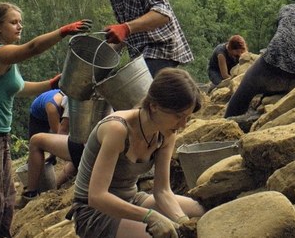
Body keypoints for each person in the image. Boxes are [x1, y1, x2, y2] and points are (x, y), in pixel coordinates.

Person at [0, 3, 91, 238]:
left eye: (20, 21)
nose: (19, 26)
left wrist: (51, 84)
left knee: (6, 201)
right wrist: (62, 32)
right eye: (13, 22)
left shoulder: (8, 59)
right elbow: (32, 48)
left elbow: (19, 88)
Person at [70, 68, 205, 238]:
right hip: (93, 212)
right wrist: (149, 216)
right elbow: (97, 197)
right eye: (179, 116)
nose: (183, 124)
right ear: (154, 106)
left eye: (187, 117)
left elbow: (162, 191)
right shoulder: (117, 129)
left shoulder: (167, 133)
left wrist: (183, 221)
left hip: (131, 199)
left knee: (198, 211)